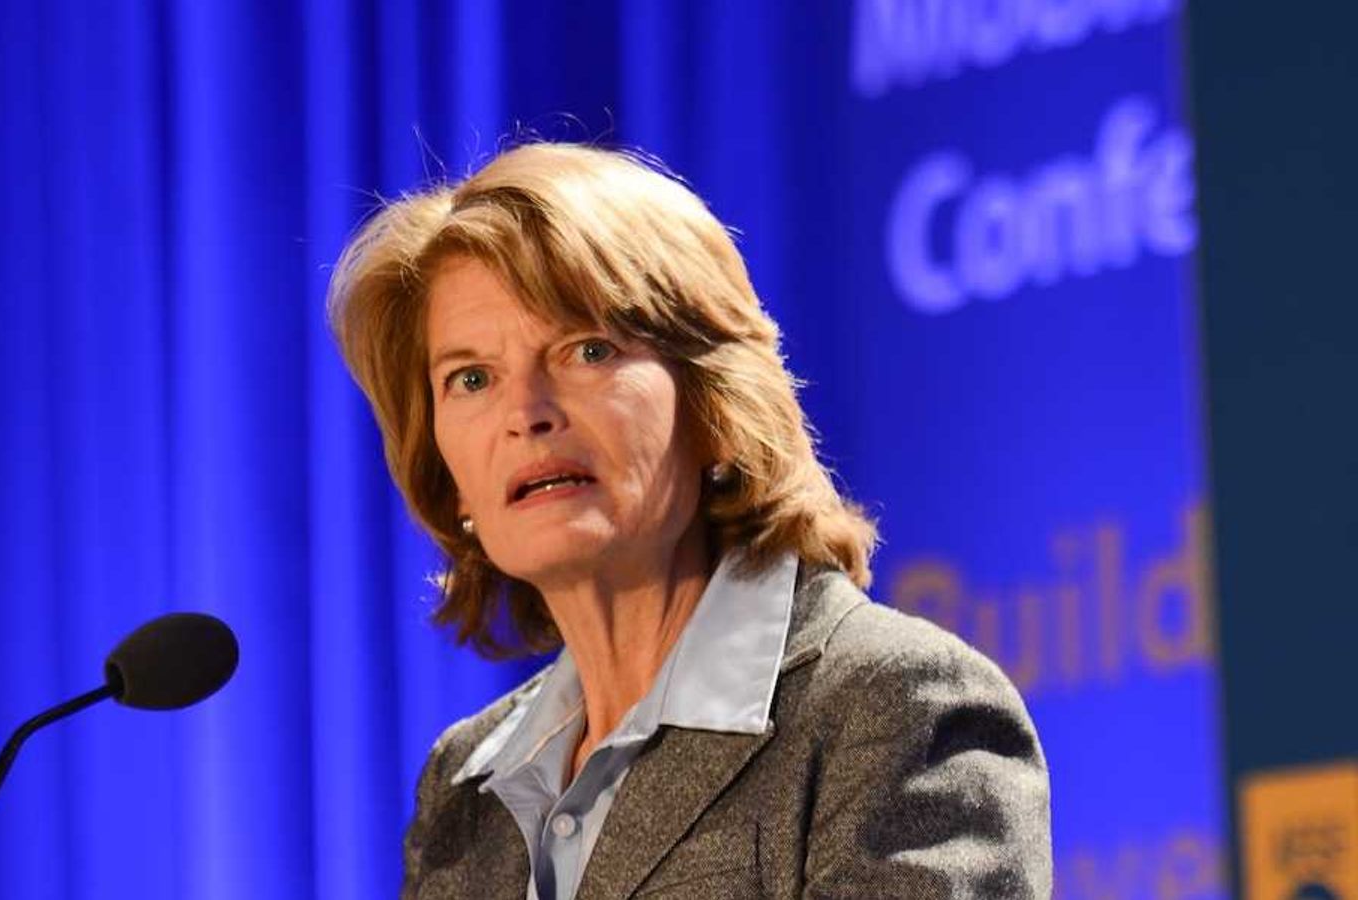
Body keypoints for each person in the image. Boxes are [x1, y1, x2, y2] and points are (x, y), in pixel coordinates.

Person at [327, 142, 1051, 899]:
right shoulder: (465, 790)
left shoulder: (892, 709)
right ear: (449, 477)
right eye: (470, 378)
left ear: (712, 402)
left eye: (586, 349)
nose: (525, 415)